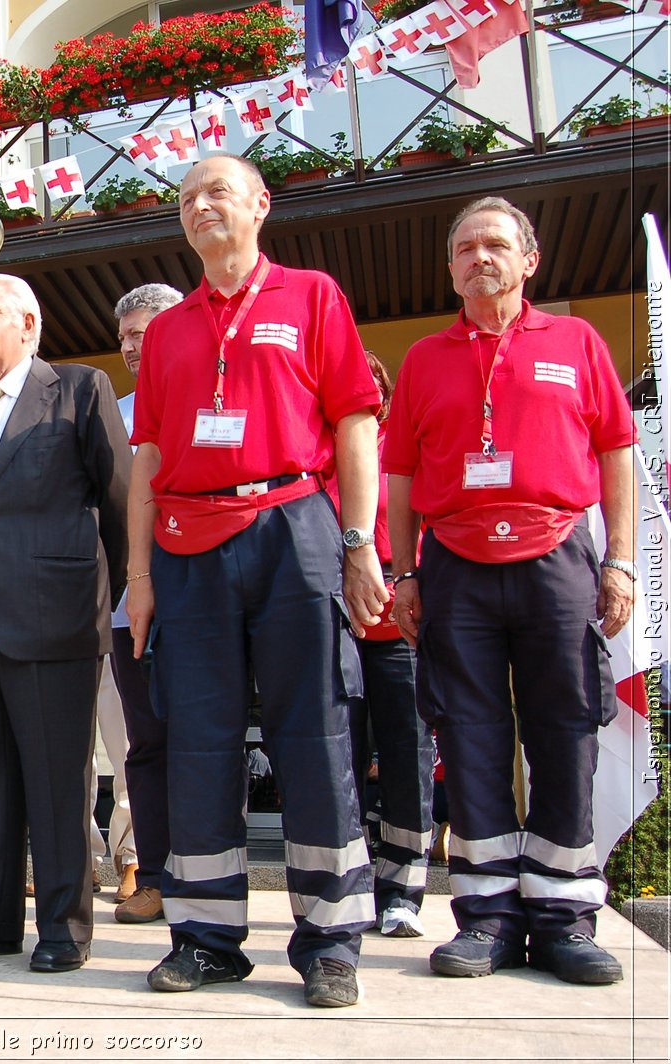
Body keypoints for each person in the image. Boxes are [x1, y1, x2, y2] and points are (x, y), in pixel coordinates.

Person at [126, 155, 386, 1007]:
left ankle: (330, 939)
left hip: (293, 524)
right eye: (187, 198)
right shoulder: (167, 330)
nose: (201, 206)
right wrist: (139, 574)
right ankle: (205, 937)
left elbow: (354, 420)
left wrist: (357, 544)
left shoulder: (312, 296)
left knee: (314, 728)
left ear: (260, 206)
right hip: (188, 540)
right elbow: (151, 455)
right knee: (196, 740)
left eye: (218, 192)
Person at [384, 196, 636, 986]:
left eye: (495, 245)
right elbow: (398, 477)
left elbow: (618, 453)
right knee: (469, 736)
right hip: (453, 562)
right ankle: (487, 916)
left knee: (567, 729)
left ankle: (565, 918)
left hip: (558, 555)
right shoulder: (425, 358)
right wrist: (405, 571)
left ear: (529, 261)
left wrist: (620, 561)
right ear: (452, 269)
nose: (479, 257)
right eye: (464, 248)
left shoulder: (579, 341)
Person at [0, 273, 130, 975]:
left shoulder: (77, 389)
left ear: (30, 325)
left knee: (55, 779)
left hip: (54, 616)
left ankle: (63, 929)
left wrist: (106, 595)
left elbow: (120, 503)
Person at [336, 352, 435, 939]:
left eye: (374, 381)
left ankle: (403, 891)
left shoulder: (406, 446)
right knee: (339, 760)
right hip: (338, 619)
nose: (365, 392)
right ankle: (350, 882)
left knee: (407, 756)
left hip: (399, 619)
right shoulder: (326, 452)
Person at [108, 282, 183, 925]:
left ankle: (218, 875)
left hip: (203, 593)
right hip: (125, 609)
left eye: (147, 329)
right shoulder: (114, 413)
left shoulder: (210, 396)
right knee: (147, 743)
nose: (134, 345)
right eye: (127, 335)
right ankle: (154, 876)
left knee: (209, 740)